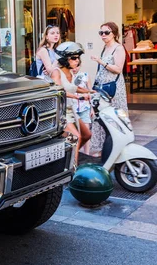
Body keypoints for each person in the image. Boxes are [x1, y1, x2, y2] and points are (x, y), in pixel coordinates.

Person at [89, 21, 128, 157]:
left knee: (115, 117)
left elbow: (118, 69)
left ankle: (119, 146)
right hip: (102, 88)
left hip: (114, 89)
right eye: (101, 33)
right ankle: (102, 147)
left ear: (114, 34)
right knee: (100, 117)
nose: (103, 35)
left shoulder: (118, 48)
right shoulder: (105, 48)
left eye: (107, 32)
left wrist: (101, 62)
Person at [51, 42, 92, 166]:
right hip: (61, 112)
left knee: (86, 135)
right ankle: (72, 169)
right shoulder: (56, 72)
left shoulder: (70, 73)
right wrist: (78, 97)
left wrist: (91, 91)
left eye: (78, 58)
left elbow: (73, 87)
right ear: (64, 59)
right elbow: (59, 90)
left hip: (71, 110)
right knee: (76, 137)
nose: (77, 61)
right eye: (73, 58)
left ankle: (69, 157)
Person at [72, 61, 92, 152]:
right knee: (74, 133)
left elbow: (89, 92)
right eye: (73, 67)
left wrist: (91, 108)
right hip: (73, 108)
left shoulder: (85, 76)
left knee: (86, 131)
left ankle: (86, 152)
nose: (75, 69)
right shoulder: (68, 77)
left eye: (77, 66)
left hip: (84, 108)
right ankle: (75, 152)